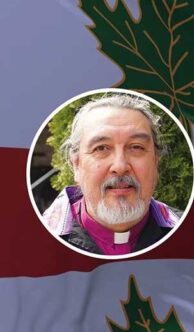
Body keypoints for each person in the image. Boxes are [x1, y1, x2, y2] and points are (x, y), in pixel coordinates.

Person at [42, 94, 181, 256]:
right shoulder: (34, 241)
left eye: (136, 147)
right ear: (77, 165)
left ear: (155, 161)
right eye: (101, 148)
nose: (120, 166)